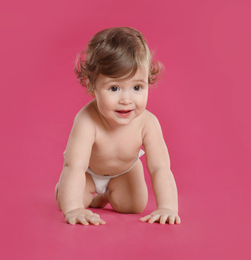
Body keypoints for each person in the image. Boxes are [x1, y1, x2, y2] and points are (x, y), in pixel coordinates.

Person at [55, 27, 181, 225]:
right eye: (114, 88)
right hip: (87, 173)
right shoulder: (87, 120)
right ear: (91, 85)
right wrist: (73, 208)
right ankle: (66, 190)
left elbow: (160, 168)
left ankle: (104, 197)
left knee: (133, 206)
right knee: (72, 200)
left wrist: (167, 207)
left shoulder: (148, 123)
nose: (126, 99)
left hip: (124, 172)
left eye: (137, 87)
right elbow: (75, 166)